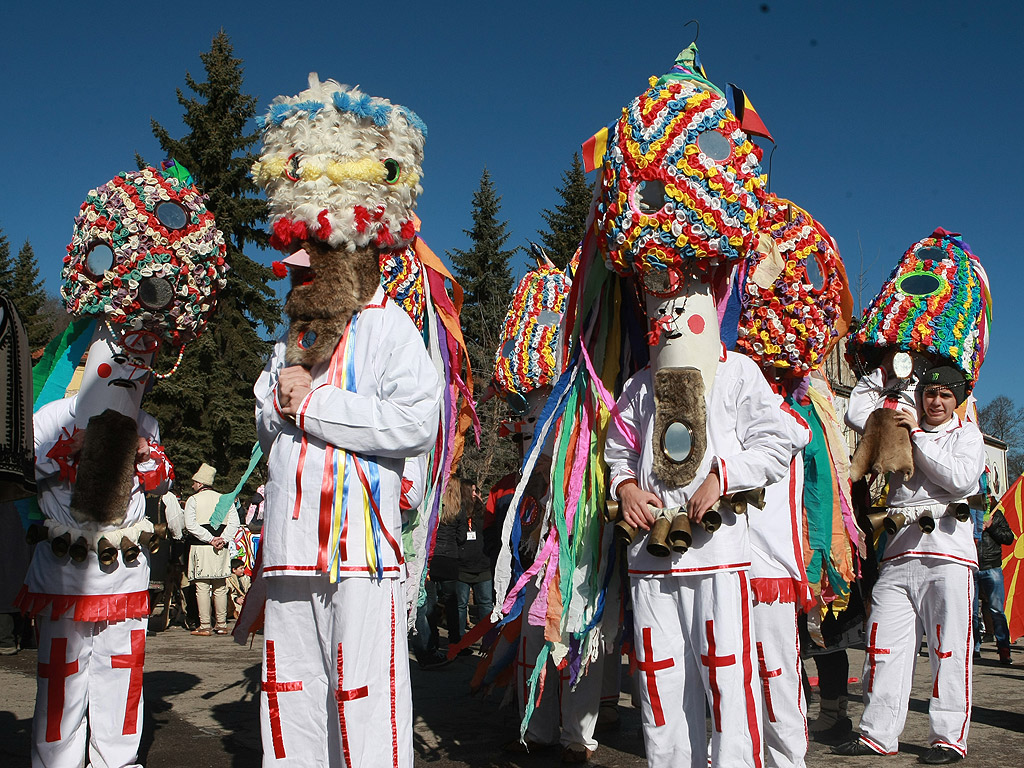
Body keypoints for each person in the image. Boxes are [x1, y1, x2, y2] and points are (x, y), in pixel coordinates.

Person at [252, 76, 441, 767]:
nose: (304, 271)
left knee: (365, 699)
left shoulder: (389, 327)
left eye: (317, 258)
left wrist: (315, 405)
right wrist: (285, 398)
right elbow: (267, 413)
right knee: (291, 694)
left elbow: (416, 422)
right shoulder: (290, 338)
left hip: (358, 552)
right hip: (291, 548)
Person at [606, 346, 793, 767]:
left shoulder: (738, 370)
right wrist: (627, 488)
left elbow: (776, 443)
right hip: (650, 557)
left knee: (726, 676)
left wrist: (721, 476)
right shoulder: (639, 382)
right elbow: (618, 449)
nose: (670, 315)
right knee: (659, 680)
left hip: (718, 555)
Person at [835, 365, 985, 764]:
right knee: (883, 648)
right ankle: (877, 734)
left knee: (948, 649)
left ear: (957, 401)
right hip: (899, 554)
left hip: (948, 557)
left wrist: (917, 435)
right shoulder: (901, 420)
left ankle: (948, 738)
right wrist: (885, 370)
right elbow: (857, 411)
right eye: (929, 394)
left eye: (945, 396)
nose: (935, 402)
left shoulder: (966, 434)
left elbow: (958, 478)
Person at [184, 463, 239, 636]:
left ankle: (206, 625)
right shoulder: (225, 499)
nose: (192, 485)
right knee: (220, 586)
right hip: (220, 547)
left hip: (201, 547)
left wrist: (209, 539)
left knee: (202, 586)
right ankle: (221, 624)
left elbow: (190, 525)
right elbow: (234, 523)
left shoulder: (193, 500)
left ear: (200, 484)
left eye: (194, 482)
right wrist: (222, 538)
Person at [974, 497, 1014, 664]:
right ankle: (974, 649)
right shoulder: (967, 513)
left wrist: (990, 528)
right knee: (972, 613)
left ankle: (1004, 650)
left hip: (992, 568)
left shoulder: (996, 514)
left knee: (997, 611)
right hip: (972, 567)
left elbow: (1009, 538)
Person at [456, 480, 493, 635]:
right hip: (461, 567)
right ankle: (459, 639)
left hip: (482, 565)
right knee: (460, 604)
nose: (475, 494)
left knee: (485, 603)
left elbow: (492, 531)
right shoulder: (457, 512)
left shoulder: (483, 512)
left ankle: (486, 637)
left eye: (475, 490)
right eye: (471, 491)